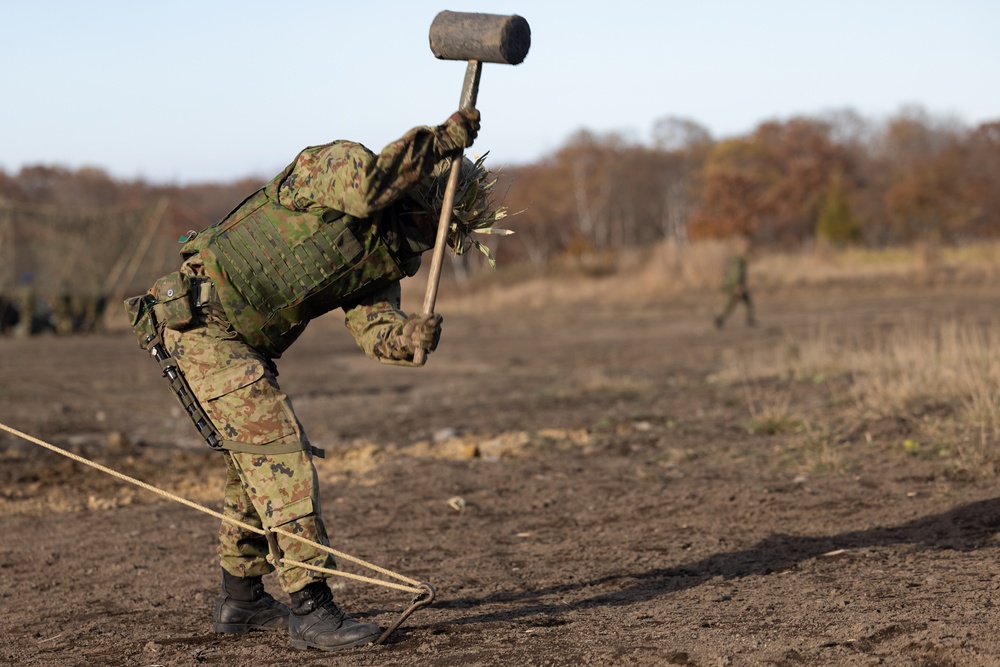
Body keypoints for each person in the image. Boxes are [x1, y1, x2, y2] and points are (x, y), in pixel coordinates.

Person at [125, 107, 483, 652]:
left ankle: (241, 600)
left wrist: (410, 339)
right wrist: (434, 143)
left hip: (243, 345)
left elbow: (374, 329)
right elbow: (368, 190)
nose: (421, 240)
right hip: (199, 325)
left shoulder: (385, 258)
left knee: (255, 461)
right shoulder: (338, 166)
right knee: (279, 451)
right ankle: (313, 609)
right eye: (424, 222)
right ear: (417, 192)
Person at [714, 252, 755, 328]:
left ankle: (750, 318)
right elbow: (736, 276)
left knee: (743, 302)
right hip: (735, 287)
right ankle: (720, 319)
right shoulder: (738, 265)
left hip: (732, 287)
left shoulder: (734, 264)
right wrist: (738, 287)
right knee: (731, 305)